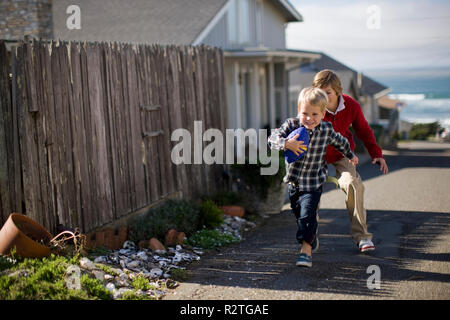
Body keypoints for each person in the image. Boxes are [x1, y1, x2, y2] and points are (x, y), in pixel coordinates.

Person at [268, 87, 358, 267]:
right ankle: (310, 237)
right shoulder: (292, 125)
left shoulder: (326, 129)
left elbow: (340, 141)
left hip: (314, 182)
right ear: (298, 111)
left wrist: (349, 154)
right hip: (294, 183)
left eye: (315, 114)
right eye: (305, 113)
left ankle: (305, 251)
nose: (309, 118)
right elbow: (272, 139)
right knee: (299, 214)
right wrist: (286, 143)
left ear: (324, 114)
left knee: (307, 215)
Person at [312, 69, 389, 253]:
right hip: (315, 155)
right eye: (319, 92)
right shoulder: (312, 104)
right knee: (310, 191)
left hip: (341, 154)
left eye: (327, 93)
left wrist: (376, 153)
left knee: (354, 184)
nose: (323, 97)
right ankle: (309, 235)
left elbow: (364, 130)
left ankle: (362, 237)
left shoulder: (351, 106)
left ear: (338, 91)